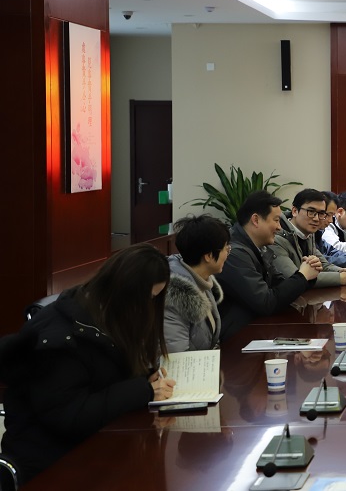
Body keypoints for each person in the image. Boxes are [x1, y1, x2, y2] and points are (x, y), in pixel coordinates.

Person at [0, 244, 176, 484]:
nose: (150, 307)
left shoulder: (101, 311)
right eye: (149, 298)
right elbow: (69, 416)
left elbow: (104, 375)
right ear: (127, 293)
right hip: (52, 461)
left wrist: (144, 377)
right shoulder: (62, 340)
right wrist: (142, 390)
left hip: (93, 445)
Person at [216, 190, 321, 339]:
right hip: (235, 340)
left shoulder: (259, 248)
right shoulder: (234, 254)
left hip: (256, 331)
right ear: (256, 220)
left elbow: (279, 285)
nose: (279, 227)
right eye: (276, 220)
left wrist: (308, 276)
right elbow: (266, 302)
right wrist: (303, 276)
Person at [164, 214, 230, 352]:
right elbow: (176, 356)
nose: (227, 254)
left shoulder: (203, 281)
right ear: (209, 256)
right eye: (226, 249)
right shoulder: (173, 297)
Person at [273, 188, 346, 288]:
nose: (316, 219)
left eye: (321, 214)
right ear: (294, 211)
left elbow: (324, 265)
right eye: (311, 212)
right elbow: (295, 279)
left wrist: (343, 271)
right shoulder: (275, 238)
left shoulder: (309, 234)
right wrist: (340, 278)